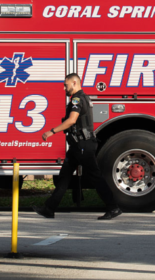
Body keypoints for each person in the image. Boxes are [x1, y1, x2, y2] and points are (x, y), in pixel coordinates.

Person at [33, 73, 121, 220]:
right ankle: (49, 208)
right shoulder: (82, 98)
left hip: (83, 146)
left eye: (65, 85)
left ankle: (113, 207)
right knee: (64, 177)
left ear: (74, 83)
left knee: (95, 177)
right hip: (77, 146)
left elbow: (72, 120)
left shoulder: (77, 99)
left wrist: (51, 131)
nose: (64, 88)